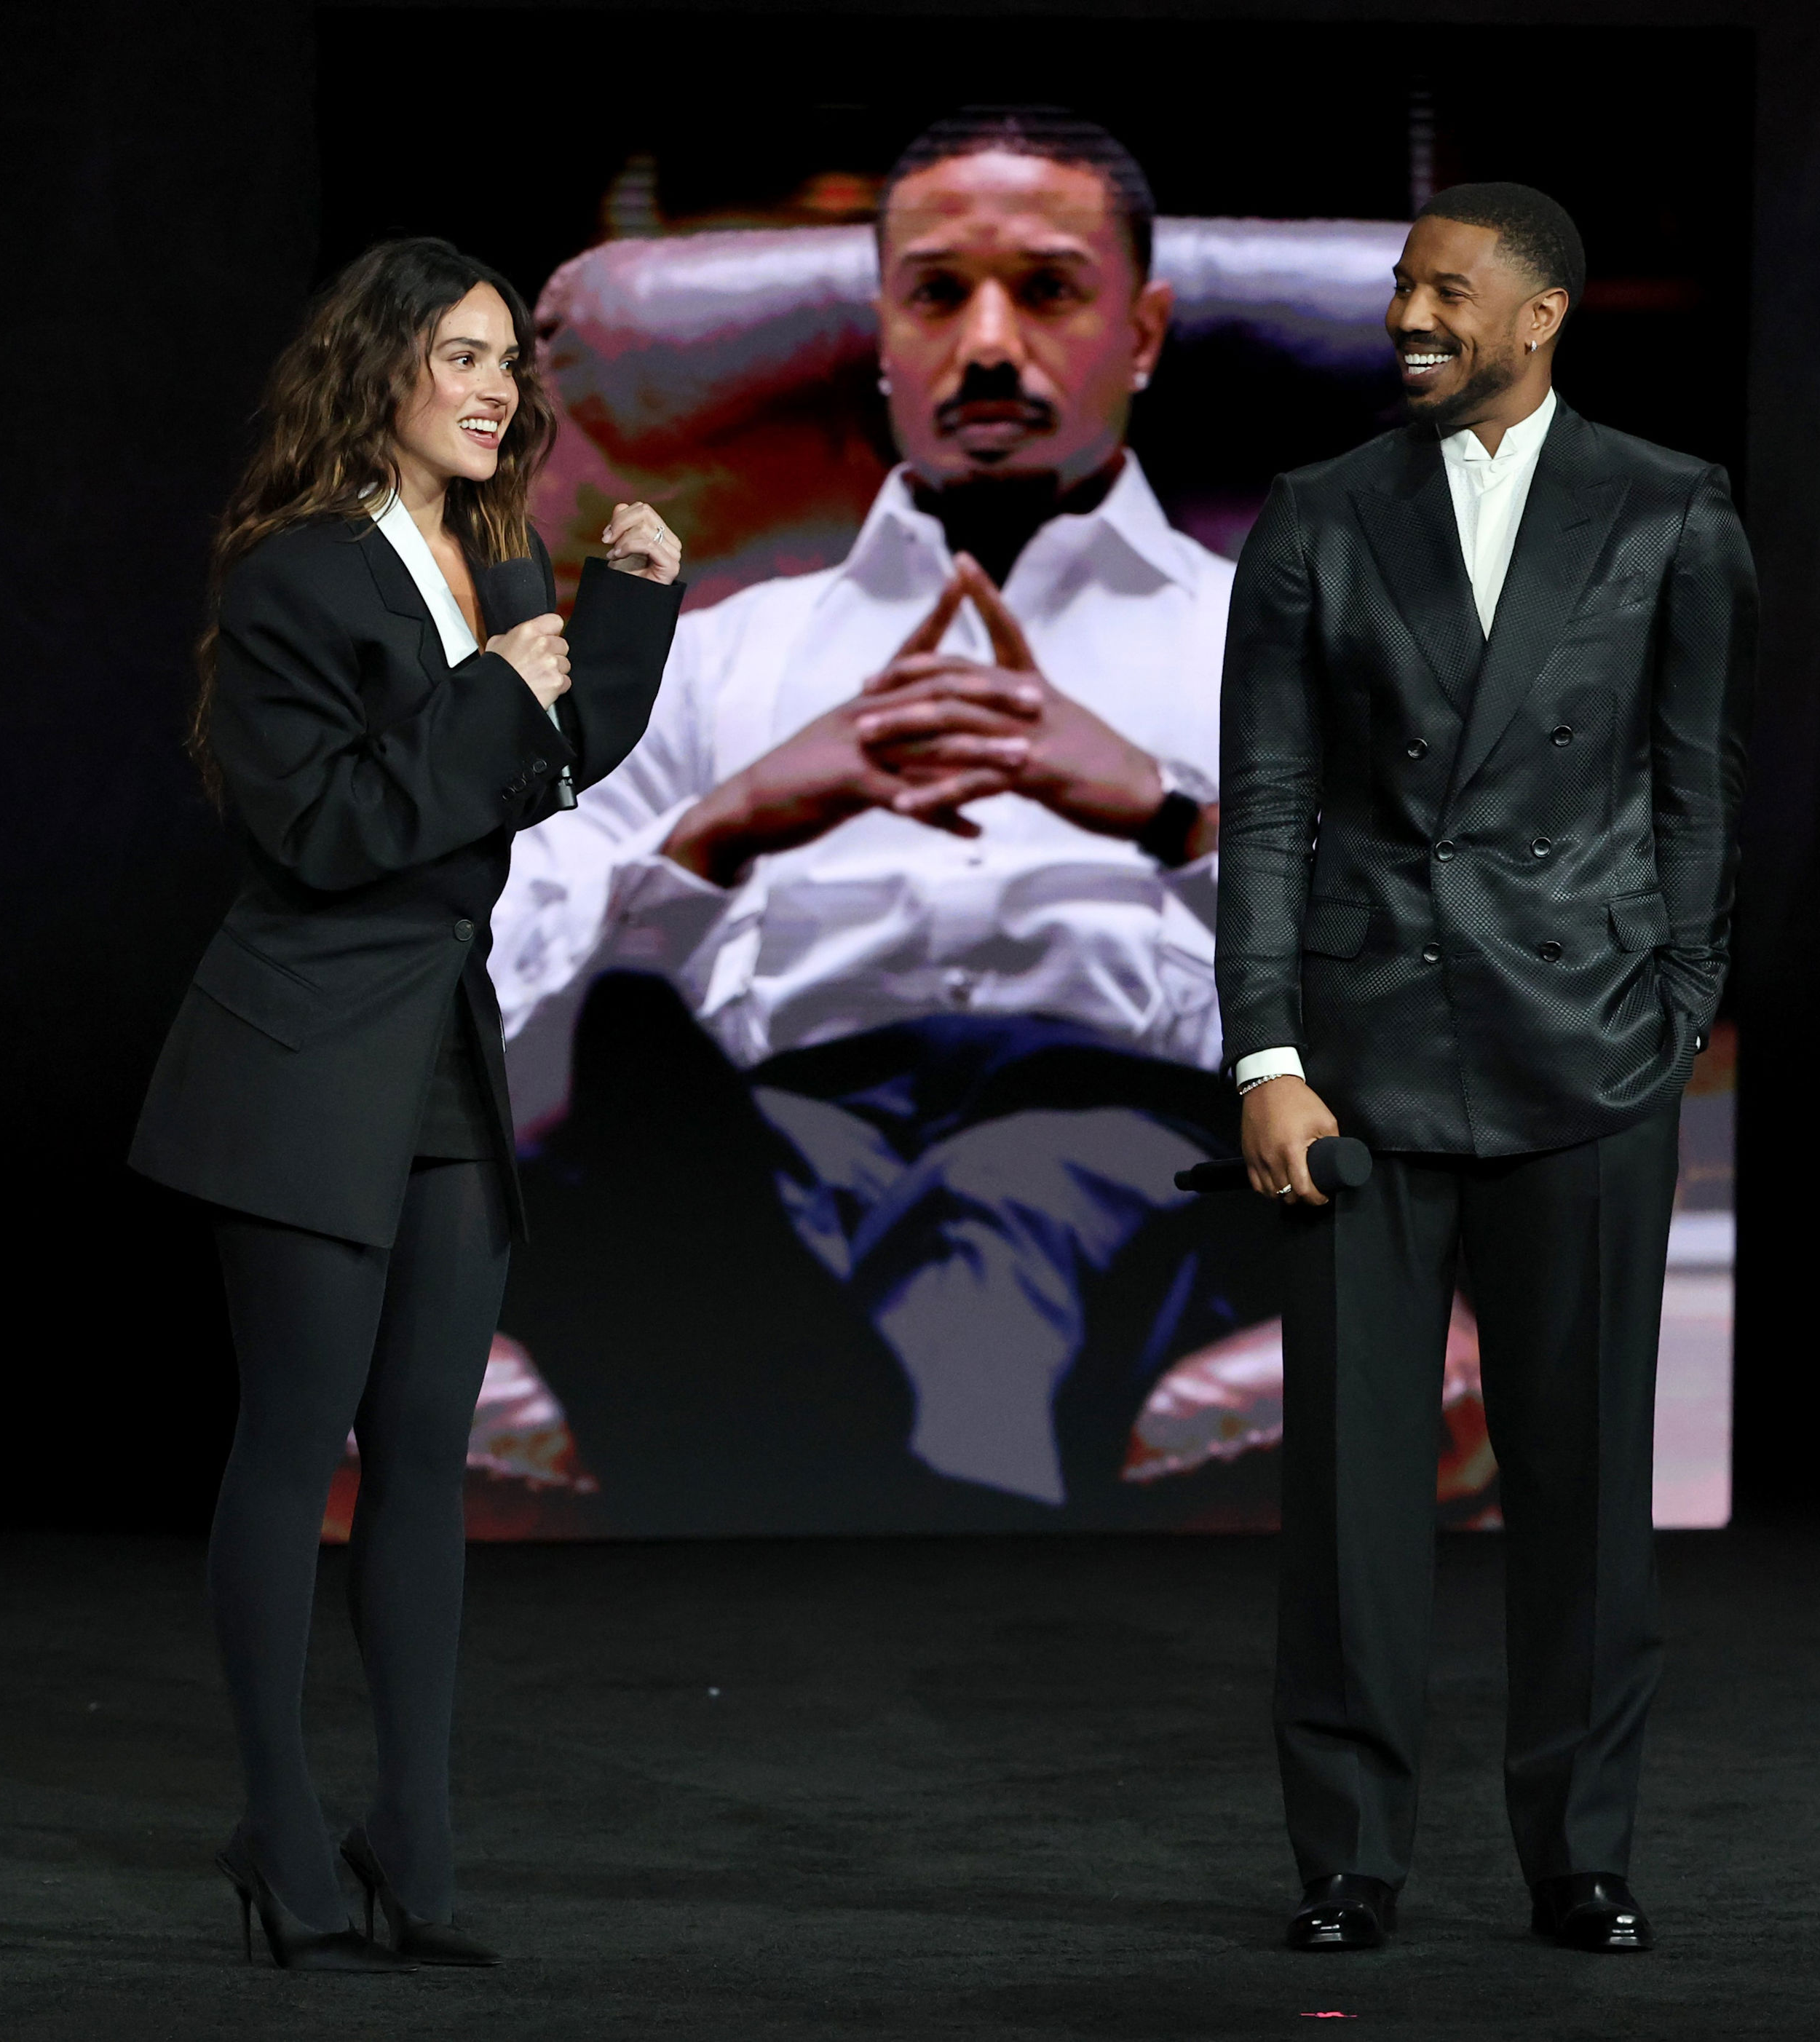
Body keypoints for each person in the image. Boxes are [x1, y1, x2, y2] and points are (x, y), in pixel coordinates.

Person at [490, 108, 1274, 1530]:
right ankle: (905, 1507)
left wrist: (1169, 815)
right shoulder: (711, 657)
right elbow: (489, 977)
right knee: (595, 1170)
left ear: (1143, 333)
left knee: (997, 1193)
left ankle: (809, 1463)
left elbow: (1430, 955)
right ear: (883, 337)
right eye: (936, 295)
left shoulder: (1274, 651)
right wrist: (724, 828)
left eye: (1048, 290)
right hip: (777, 1116)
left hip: (1123, 1120)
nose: (988, 344)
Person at [127, 237, 684, 1969]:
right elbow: (324, 826)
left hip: (438, 1033)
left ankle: (415, 1842)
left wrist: (626, 613)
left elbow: (543, 767)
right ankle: (282, 1824)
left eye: (509, 359)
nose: (496, 388)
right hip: (303, 1041)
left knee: (428, 1454)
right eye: (460, 355)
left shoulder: (496, 549)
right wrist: (496, 685)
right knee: (296, 1444)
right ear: (377, 369)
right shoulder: (292, 571)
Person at [1218, 183, 1754, 1955]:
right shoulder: (1318, 512)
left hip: (1583, 1050)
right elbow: (1268, 805)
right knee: (1351, 1498)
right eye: (1401, 287)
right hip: (1359, 1061)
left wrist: (1674, 1007)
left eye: (1446, 290)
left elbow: (1699, 787)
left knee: (1586, 1491)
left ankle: (1580, 1852)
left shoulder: (1669, 509)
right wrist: (1267, 1053)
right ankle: (1346, 1858)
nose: (1408, 316)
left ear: (1540, 315)